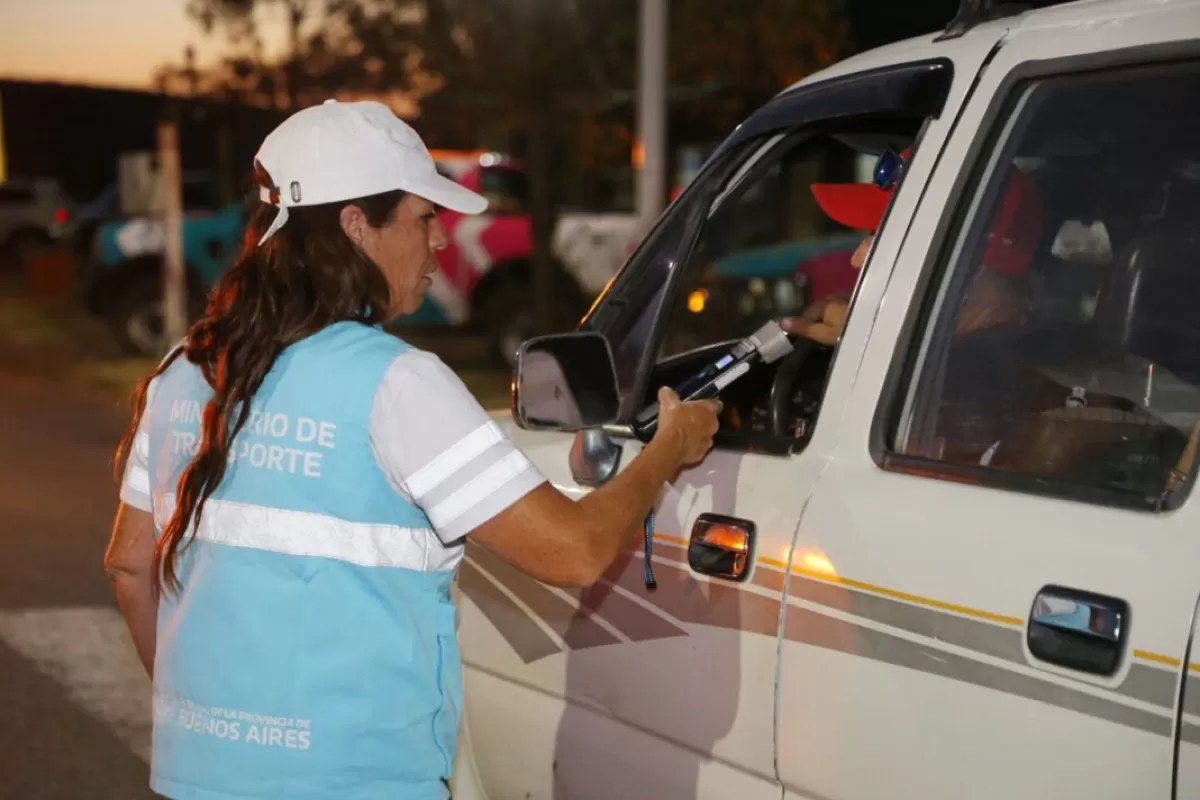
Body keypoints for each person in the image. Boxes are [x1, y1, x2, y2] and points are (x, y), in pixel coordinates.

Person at [102, 99, 720, 800]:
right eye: (424, 220)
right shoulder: (396, 383)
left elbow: (128, 565)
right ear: (356, 226)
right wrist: (667, 449)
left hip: (197, 777)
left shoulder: (184, 369)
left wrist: (205, 729)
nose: (440, 244)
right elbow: (572, 550)